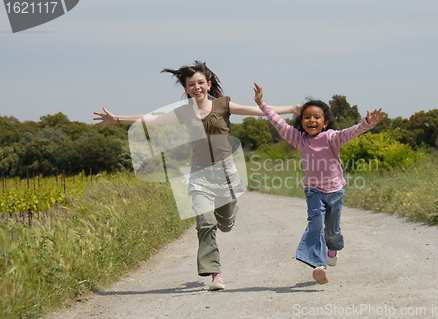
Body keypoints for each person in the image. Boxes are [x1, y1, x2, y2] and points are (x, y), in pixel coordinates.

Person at [93, 61, 301, 291]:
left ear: (209, 84)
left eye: (201, 82)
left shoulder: (224, 105)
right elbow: (151, 118)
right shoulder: (183, 112)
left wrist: (292, 108)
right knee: (206, 223)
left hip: (226, 175)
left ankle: (229, 216)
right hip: (200, 176)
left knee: (225, 224)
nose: (197, 87)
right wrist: (117, 119)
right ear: (186, 89)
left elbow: (259, 110)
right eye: (191, 84)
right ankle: (216, 273)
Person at [253, 83, 384, 284]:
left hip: (335, 191)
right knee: (315, 225)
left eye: (316, 117)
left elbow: (351, 132)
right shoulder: (298, 139)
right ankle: (318, 265)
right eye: (307, 117)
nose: (311, 120)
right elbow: (278, 122)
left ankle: (333, 248)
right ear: (301, 122)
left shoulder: (331, 137)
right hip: (313, 191)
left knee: (332, 231)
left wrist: (366, 124)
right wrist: (262, 104)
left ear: (325, 122)